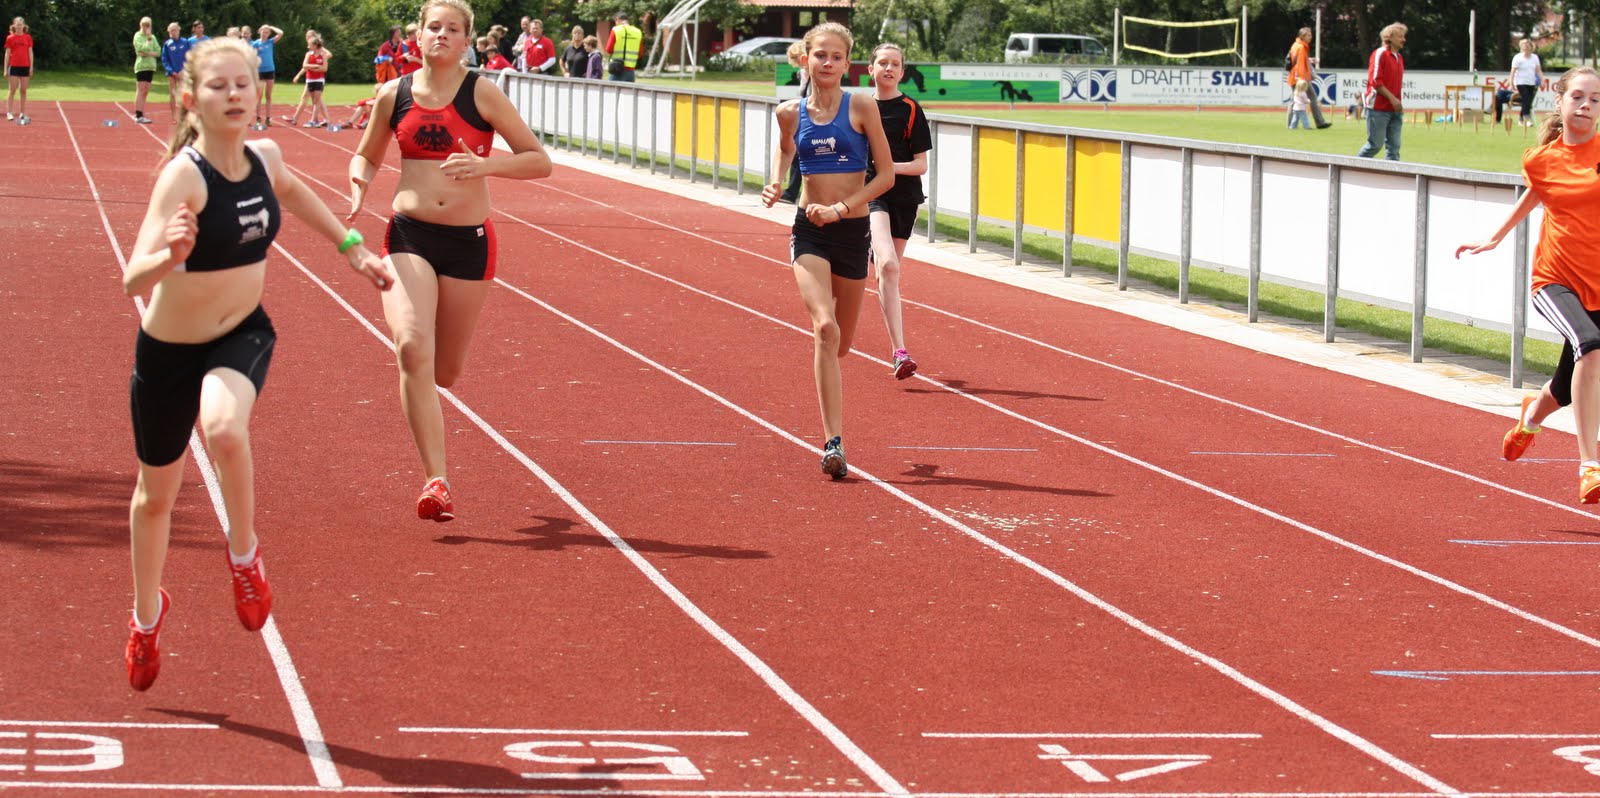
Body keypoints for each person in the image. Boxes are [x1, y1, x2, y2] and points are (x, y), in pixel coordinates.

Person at [120, 36, 392, 691]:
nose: (235, 95)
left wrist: (353, 248)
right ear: (191, 98)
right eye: (219, 86)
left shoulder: (265, 158)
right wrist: (171, 254)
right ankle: (146, 618)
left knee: (223, 428)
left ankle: (244, 557)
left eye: (243, 83)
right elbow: (133, 277)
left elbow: (296, 193)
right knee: (155, 499)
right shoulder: (184, 176)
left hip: (242, 331)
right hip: (169, 351)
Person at [346, 0, 553, 521]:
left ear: (466, 40)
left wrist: (485, 166)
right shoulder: (394, 94)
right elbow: (367, 154)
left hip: (468, 243)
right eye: (433, 27)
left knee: (445, 372)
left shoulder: (481, 92)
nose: (441, 34)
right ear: (418, 36)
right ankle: (436, 480)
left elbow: (539, 161)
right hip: (409, 235)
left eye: (453, 29)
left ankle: (433, 398)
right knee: (411, 347)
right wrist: (359, 183)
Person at [1455, 66, 1600, 503]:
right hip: (1555, 280)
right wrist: (1494, 237)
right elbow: (1537, 191)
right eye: (1578, 97)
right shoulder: (1540, 160)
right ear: (1560, 100)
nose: (1586, 106)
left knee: (1565, 387)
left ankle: (1530, 418)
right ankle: (1590, 467)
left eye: (1595, 100)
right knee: (1591, 345)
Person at [760, 22, 895, 479]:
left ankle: (828, 373)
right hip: (810, 231)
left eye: (837, 57)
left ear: (847, 63)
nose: (828, 63)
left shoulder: (861, 106)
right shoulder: (788, 113)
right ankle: (833, 442)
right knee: (825, 328)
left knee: (843, 343)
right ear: (806, 59)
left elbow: (886, 177)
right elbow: (785, 151)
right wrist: (776, 181)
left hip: (851, 231)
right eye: (821, 55)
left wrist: (842, 208)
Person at [866, 42, 931, 381]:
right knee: (889, 265)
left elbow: (921, 165)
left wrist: (891, 168)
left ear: (902, 72)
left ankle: (896, 353)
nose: (888, 68)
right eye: (882, 63)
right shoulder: (860, 107)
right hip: (872, 195)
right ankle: (902, 350)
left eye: (895, 64)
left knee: (888, 273)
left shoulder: (911, 109)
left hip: (905, 198)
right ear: (871, 69)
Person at [1356, 22, 1406, 161]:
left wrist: (1396, 102)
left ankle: (1391, 173)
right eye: (1400, 36)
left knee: (1394, 149)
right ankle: (1351, 167)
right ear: (1389, 37)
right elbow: (1375, 81)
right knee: (1375, 146)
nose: (1404, 39)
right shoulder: (1380, 54)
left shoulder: (1399, 57)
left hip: (1395, 108)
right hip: (1377, 107)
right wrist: (1393, 99)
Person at [777, 39, 809, 204]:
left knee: (800, 154)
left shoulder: (813, 73)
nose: (796, 63)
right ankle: (792, 192)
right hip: (803, 115)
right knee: (796, 154)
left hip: (811, 117)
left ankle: (793, 193)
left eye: (796, 58)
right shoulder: (802, 73)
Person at [1285, 26, 1331, 130]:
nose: (1311, 37)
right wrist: (1302, 80)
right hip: (1300, 78)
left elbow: (1296, 60)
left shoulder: (1296, 45)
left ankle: (1291, 125)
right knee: (1307, 98)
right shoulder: (1301, 47)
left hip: (1295, 77)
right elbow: (1300, 65)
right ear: (1303, 36)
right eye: (1308, 35)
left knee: (1296, 99)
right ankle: (1319, 122)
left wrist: (1310, 60)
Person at [286, 33, 331, 128]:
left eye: (309, 44)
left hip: (319, 79)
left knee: (316, 100)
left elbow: (324, 69)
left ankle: (313, 120)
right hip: (310, 79)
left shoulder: (322, 55)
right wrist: (315, 66)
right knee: (314, 100)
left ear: (315, 45)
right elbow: (305, 65)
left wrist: (312, 68)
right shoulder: (308, 54)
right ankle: (317, 120)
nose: (307, 46)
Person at [252, 24, 284, 127]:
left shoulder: (270, 42)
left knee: (268, 95)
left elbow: (281, 33)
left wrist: (271, 27)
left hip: (270, 70)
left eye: (266, 32)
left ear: (269, 33)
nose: (264, 34)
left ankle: (268, 118)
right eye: (263, 31)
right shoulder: (256, 44)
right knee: (259, 95)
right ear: (259, 31)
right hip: (260, 71)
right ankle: (258, 118)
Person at [1510, 38, 1544, 128]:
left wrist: (1542, 80)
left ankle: (1521, 119)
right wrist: (1511, 82)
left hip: (1531, 82)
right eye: (1524, 45)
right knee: (1525, 97)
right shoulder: (1517, 57)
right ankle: (1527, 118)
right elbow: (1513, 71)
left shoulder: (1535, 58)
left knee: (1527, 101)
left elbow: (1538, 70)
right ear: (1521, 47)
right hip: (1520, 82)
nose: (1526, 46)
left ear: (1531, 46)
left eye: (1527, 45)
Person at [5, 17, 33, 123]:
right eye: (17, 24)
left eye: (21, 24)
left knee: (23, 90)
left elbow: (30, 52)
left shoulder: (28, 37)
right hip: (13, 67)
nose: (19, 26)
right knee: (12, 90)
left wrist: (31, 67)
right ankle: (9, 113)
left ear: (24, 26)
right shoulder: (10, 38)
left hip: (25, 67)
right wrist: (5, 69)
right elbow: (7, 54)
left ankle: (22, 113)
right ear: (14, 26)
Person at [132, 17, 160, 124]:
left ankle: (141, 112)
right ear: (141, 25)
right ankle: (138, 115)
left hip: (151, 66)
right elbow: (141, 50)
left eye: (148, 25)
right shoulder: (137, 36)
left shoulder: (153, 37)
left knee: (146, 91)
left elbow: (158, 51)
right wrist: (148, 40)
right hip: (142, 66)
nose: (146, 27)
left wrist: (148, 53)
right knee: (141, 89)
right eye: (144, 25)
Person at [160, 22, 190, 118]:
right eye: (171, 30)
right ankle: (173, 115)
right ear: (169, 32)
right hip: (171, 73)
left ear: (179, 30)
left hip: (182, 72)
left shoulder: (185, 42)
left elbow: (189, 57)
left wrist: (183, 70)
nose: (173, 32)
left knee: (184, 93)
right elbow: (164, 59)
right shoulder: (167, 44)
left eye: (175, 30)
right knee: (172, 93)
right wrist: (171, 71)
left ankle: (183, 114)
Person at [604, 12, 643, 82]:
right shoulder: (638, 32)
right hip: (631, 71)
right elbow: (640, 53)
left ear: (617, 19)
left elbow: (608, 49)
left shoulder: (616, 30)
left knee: (611, 89)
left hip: (617, 69)